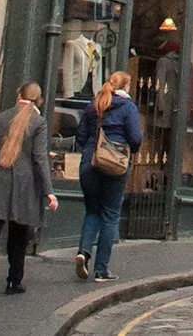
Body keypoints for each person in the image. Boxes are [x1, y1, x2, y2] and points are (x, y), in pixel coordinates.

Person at [0, 82, 56, 302]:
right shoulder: (39, 122)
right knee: (19, 233)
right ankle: (13, 281)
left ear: (19, 96)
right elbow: (39, 159)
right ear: (38, 100)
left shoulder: (0, 117)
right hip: (24, 183)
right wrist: (49, 191)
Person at [75, 71, 143, 283]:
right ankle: (101, 270)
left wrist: (88, 151)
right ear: (127, 86)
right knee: (111, 215)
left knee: (92, 211)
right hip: (115, 163)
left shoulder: (94, 104)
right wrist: (132, 149)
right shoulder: (128, 107)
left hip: (89, 163)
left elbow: (80, 136)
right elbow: (135, 137)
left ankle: (84, 252)